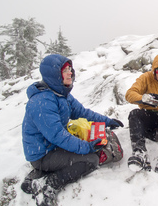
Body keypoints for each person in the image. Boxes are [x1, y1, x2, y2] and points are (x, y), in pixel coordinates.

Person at [21, 54, 123, 205]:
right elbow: (58, 135)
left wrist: (107, 121)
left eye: (70, 69)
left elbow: (83, 113)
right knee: (91, 159)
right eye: (65, 70)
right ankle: (50, 184)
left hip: (54, 147)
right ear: (54, 75)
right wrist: (86, 147)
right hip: (43, 154)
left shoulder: (61, 94)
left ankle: (42, 173)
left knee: (90, 143)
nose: (70, 72)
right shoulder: (42, 102)